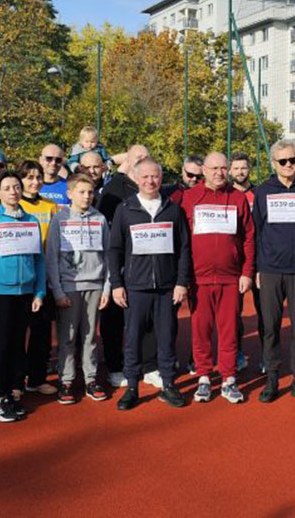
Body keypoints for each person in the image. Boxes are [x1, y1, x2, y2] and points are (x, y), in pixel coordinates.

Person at [109, 157, 191, 411]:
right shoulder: (125, 209)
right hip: (135, 287)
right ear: (136, 178)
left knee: (166, 338)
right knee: (132, 339)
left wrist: (181, 283)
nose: (150, 181)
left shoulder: (172, 209)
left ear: (161, 177)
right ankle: (132, 387)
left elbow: (184, 249)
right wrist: (117, 284)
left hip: (167, 287)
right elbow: (115, 250)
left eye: (154, 176)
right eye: (144, 176)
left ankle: (168, 384)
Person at [181, 152, 254, 404]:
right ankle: (202, 377)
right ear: (203, 170)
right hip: (198, 279)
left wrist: (246, 273)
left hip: (230, 277)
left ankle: (228, 379)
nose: (219, 173)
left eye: (224, 168)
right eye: (214, 168)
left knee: (229, 331)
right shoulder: (189, 198)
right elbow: (182, 241)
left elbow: (248, 238)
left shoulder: (237, 198)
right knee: (200, 331)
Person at [0, 172, 46, 422]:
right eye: (7, 187)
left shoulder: (31, 220)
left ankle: (14, 391)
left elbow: (39, 259)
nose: (13, 191)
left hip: (25, 294)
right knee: (0, 347)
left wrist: (39, 291)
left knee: (17, 346)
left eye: (17, 186)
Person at [253, 140, 295, 404]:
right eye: (283, 161)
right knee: (270, 327)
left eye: (293, 160)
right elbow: (256, 232)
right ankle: (271, 378)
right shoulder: (262, 192)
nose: (289, 165)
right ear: (274, 163)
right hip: (270, 270)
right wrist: (257, 268)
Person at [97, 144, 161, 389]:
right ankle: (115, 366)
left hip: (148, 265)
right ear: (128, 161)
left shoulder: (154, 190)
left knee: (147, 318)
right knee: (114, 318)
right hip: (121, 265)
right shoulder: (114, 189)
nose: (142, 161)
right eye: (137, 158)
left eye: (146, 157)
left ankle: (150, 366)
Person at [46, 174, 111, 404]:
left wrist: (107, 288)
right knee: (68, 337)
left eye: (90, 192)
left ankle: (91, 378)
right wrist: (58, 291)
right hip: (69, 288)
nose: (87, 196)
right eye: (81, 192)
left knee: (90, 336)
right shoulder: (59, 220)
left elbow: (108, 255)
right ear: (70, 193)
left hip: (95, 285)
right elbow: (51, 258)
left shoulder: (100, 219)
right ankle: (66, 380)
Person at [17, 161, 59, 397]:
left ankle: (37, 377)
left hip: (43, 278)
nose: (34, 182)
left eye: (38, 177)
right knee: (17, 330)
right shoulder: (13, 204)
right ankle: (16, 379)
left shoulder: (50, 206)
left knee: (41, 331)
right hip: (20, 277)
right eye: (29, 177)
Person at [230, 151, 259, 372]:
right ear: (230, 171)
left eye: (244, 168)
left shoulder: (258, 194)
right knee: (233, 312)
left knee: (264, 311)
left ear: (250, 169)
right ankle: (237, 352)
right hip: (233, 262)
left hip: (258, 261)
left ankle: (267, 355)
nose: (240, 172)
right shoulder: (227, 195)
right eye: (236, 168)